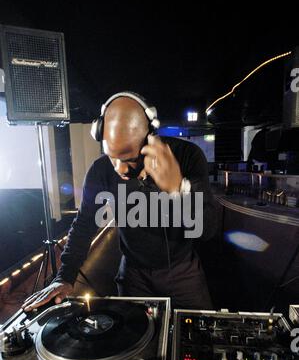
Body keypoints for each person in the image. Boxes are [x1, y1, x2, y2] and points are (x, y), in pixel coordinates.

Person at [23, 92, 217, 312]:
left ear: (150, 137)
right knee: (130, 338)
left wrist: (179, 189)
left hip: (183, 271)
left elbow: (208, 230)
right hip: (133, 273)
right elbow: (84, 224)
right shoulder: (100, 170)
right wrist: (64, 277)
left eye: (130, 159)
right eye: (112, 156)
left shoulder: (187, 156)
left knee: (200, 336)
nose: (119, 169)